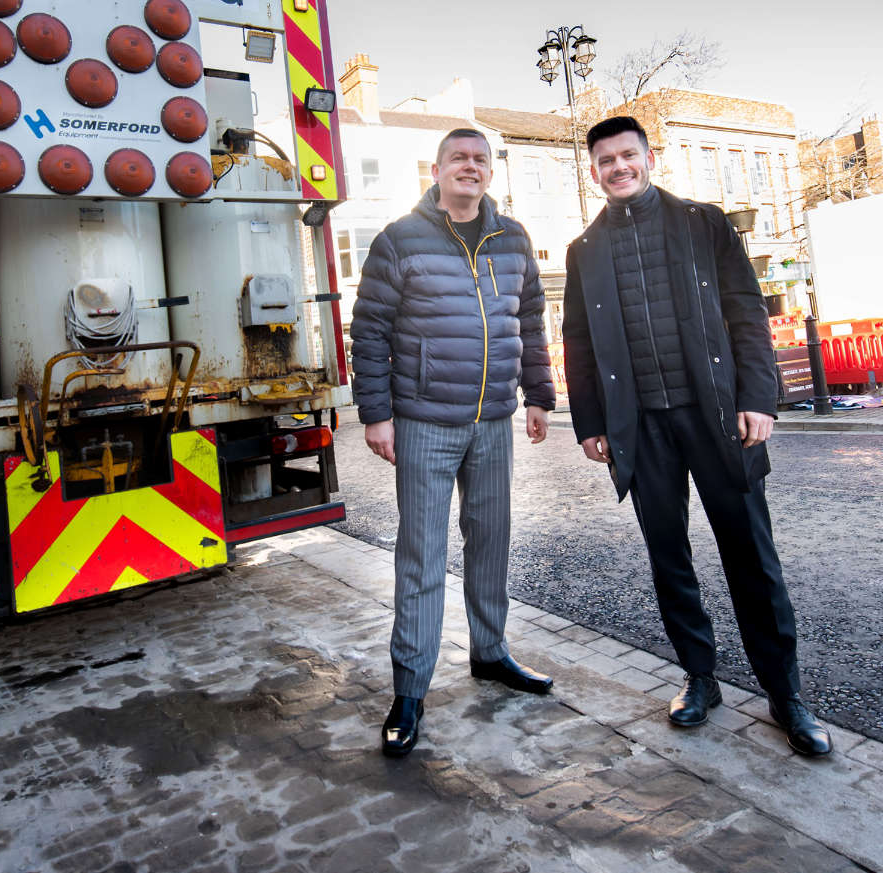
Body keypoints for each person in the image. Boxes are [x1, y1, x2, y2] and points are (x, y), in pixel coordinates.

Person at [561, 116, 831, 757]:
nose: (619, 167)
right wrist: (591, 423)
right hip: (641, 426)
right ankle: (700, 677)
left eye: (628, 155)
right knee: (668, 555)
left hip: (717, 418)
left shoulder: (702, 223)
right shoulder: (583, 250)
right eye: (606, 160)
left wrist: (758, 400)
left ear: (648, 158)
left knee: (750, 555)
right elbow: (577, 343)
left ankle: (785, 692)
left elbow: (747, 310)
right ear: (593, 171)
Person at [351, 128, 556, 758]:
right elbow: (370, 330)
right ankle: (409, 689)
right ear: (436, 169)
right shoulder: (399, 239)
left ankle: (490, 654)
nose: (470, 168)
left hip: (493, 420)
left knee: (491, 540)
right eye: (458, 159)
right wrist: (377, 414)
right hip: (422, 423)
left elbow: (528, 321)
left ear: (490, 173)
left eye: (480, 160)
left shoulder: (513, 238)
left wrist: (540, 394)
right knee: (422, 554)